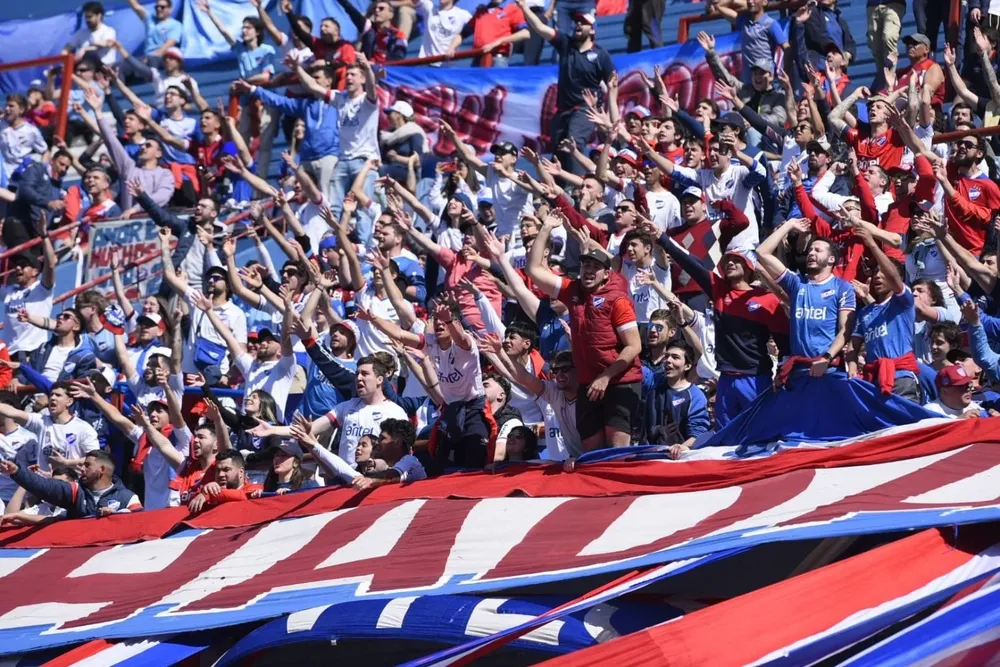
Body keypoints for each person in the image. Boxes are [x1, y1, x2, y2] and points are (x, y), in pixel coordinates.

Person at [526, 214, 642, 450]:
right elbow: (533, 270)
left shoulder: (617, 299)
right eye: (585, 265)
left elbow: (634, 346)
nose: (589, 270)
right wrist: (546, 227)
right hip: (589, 383)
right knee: (591, 452)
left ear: (606, 273)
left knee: (617, 452)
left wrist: (606, 377)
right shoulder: (573, 291)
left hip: (620, 382)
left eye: (595, 266)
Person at [757, 217, 856, 377]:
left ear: (831, 259)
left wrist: (827, 357)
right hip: (798, 370)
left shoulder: (842, 287)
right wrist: (790, 225)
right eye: (810, 250)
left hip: (827, 369)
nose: (811, 253)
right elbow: (762, 252)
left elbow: (846, 329)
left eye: (818, 250)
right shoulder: (796, 283)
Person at [517, 5, 613, 166]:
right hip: (562, 111)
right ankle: (560, 188)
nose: (578, 25)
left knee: (573, 145)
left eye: (583, 23)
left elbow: (612, 86)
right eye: (576, 22)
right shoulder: (565, 44)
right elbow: (540, 28)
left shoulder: (601, 55)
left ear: (592, 31)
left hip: (585, 109)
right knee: (558, 153)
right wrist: (523, 6)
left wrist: (607, 115)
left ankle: (580, 187)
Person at [846, 219, 921, 402]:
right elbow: (852, 347)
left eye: (883, 272)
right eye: (875, 272)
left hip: (901, 379)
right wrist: (853, 368)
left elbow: (894, 276)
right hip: (874, 381)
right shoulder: (865, 312)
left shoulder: (903, 302)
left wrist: (872, 244)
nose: (878, 275)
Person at [0, 450, 140, 519]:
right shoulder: (75, 491)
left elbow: (140, 521)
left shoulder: (128, 498)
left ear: (101, 470)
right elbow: (45, 486)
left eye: (87, 465)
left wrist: (117, 516)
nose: (81, 469)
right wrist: (17, 471)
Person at [0, 382, 100, 475]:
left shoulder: (83, 428)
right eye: (51, 394)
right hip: (44, 486)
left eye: (58, 395)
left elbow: (96, 459)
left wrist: (67, 462)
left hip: (70, 487)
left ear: (69, 402)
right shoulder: (41, 421)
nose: (52, 398)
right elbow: (11, 412)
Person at [1, 224, 56, 360]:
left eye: (24, 265)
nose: (18, 268)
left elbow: (50, 264)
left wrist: (44, 237)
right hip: (8, 353)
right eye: (16, 265)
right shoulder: (9, 291)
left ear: (35, 271)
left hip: (30, 351)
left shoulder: (41, 289)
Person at [650, 342, 710, 457]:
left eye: (675, 357)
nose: (668, 360)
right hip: (651, 456)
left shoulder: (695, 395)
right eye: (666, 356)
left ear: (687, 366)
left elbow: (699, 433)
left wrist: (682, 447)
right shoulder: (653, 385)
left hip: (680, 458)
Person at [186, 450, 263, 512]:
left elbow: (243, 496)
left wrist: (210, 494)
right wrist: (203, 492)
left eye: (226, 470)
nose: (220, 474)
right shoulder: (208, 489)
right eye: (217, 470)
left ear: (241, 472)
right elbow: (191, 501)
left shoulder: (255, 488)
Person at [463, 0, 530, 67]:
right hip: (477, 59)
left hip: (497, 60)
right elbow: (463, 33)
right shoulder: (480, 12)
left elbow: (525, 33)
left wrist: (498, 42)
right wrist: (452, 47)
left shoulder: (512, 8)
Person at [0, 94, 48, 181]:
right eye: (6, 106)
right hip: (3, 173)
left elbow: (45, 152)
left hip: (22, 175)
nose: (7, 109)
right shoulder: (1, 124)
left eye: (11, 106)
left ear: (21, 110)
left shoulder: (31, 131)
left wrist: (40, 170)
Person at [125, 0, 183, 65]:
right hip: (147, 59)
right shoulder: (150, 19)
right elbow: (136, 6)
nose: (159, 9)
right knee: (120, 67)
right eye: (157, 7)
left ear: (170, 9)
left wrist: (152, 59)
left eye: (162, 7)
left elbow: (169, 44)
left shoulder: (175, 25)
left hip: (161, 61)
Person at [63, 2, 118, 67]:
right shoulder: (81, 33)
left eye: (90, 17)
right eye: (86, 17)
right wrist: (64, 58)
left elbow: (103, 44)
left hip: (105, 68)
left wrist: (84, 49)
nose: (87, 20)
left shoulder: (109, 31)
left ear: (99, 16)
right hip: (85, 69)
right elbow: (68, 47)